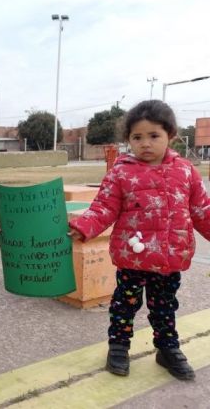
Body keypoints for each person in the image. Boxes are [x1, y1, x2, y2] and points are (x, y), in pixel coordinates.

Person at [68, 100, 210, 381]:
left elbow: (202, 209)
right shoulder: (121, 172)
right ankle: (119, 346)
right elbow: (103, 207)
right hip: (133, 257)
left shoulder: (185, 172)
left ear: (170, 135)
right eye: (137, 137)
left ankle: (167, 348)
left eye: (153, 136)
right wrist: (85, 226)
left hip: (169, 258)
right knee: (124, 305)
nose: (145, 143)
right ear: (128, 140)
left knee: (164, 306)